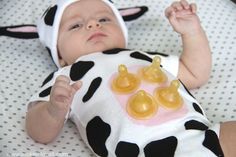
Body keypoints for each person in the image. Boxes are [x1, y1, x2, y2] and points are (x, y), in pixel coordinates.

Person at [25, 0, 236, 156]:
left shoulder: (143, 57)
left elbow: (195, 72)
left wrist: (191, 32)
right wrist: (53, 110)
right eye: (76, 25)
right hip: (143, 151)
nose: (93, 24)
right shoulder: (66, 77)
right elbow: (38, 132)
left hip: (204, 136)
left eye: (104, 19)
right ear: (59, 55)